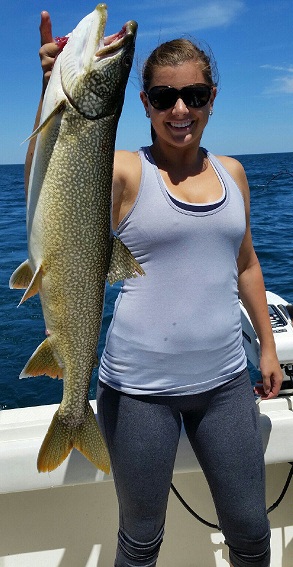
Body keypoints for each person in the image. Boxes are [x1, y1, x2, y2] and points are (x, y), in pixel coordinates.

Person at [27, 12, 283, 567]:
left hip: (225, 385)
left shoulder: (233, 173)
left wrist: (266, 345)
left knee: (251, 533)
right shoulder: (121, 173)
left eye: (193, 94)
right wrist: (49, 91)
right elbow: (50, 181)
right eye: (164, 98)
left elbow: (246, 264)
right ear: (144, 103)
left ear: (212, 97)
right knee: (140, 542)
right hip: (139, 391)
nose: (180, 110)